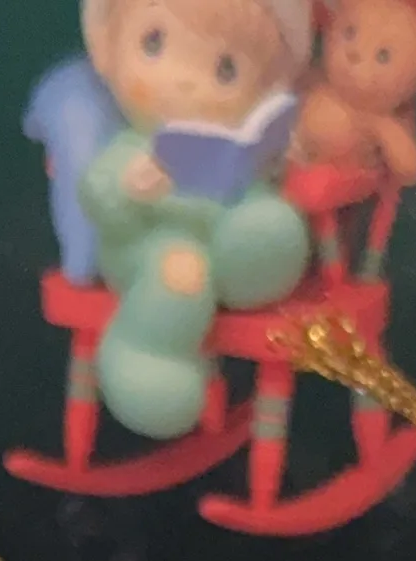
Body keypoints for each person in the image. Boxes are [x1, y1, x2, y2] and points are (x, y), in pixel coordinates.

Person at [78, 0, 311, 437]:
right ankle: (144, 354)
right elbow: (99, 192)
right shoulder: (133, 149)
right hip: (142, 251)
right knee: (182, 269)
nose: (184, 81)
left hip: (222, 243)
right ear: (109, 48)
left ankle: (251, 266)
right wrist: (129, 188)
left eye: (225, 70)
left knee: (265, 217)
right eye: (154, 44)